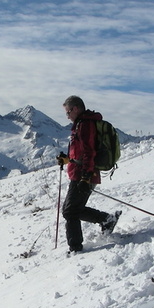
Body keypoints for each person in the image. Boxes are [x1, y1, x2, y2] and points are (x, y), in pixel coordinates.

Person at [57, 95, 121, 252]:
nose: (67, 116)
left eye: (68, 112)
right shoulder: (81, 124)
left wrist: (86, 177)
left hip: (84, 174)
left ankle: (75, 248)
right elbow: (80, 153)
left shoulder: (85, 124)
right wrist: (67, 160)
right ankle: (107, 220)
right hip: (81, 172)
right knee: (72, 209)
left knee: (70, 211)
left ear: (76, 108)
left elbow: (88, 152)